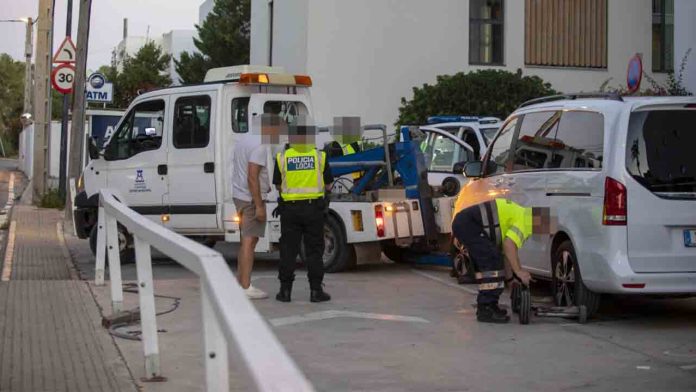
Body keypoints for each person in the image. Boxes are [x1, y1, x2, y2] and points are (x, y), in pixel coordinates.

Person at [451, 198, 550, 323]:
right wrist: (519, 272)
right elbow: (509, 246)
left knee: (495, 258)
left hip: (465, 222)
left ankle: (490, 306)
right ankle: (486, 309)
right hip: (469, 224)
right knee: (492, 262)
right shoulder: (527, 221)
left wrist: (510, 279)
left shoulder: (522, 214)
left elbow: (506, 254)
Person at [273, 117, 334, 303]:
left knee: (288, 250)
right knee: (314, 250)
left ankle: (285, 292)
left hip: (289, 211)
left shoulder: (282, 157)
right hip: (313, 209)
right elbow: (329, 185)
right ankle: (316, 291)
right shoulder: (319, 156)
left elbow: (278, 185)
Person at [231, 115, 283, 300]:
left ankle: (241, 283)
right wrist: (259, 205)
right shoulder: (260, 145)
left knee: (246, 241)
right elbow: (252, 176)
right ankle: (245, 286)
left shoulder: (244, 140)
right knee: (249, 241)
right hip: (251, 199)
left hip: (239, 195)